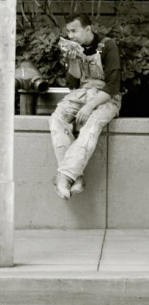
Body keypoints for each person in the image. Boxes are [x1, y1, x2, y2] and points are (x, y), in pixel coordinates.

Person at [50, 13, 121, 200]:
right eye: (68, 32)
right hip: (80, 92)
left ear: (88, 29)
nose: (70, 36)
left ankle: (64, 176)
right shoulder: (75, 48)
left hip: (105, 97)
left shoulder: (108, 46)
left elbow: (113, 87)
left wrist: (89, 107)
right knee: (57, 119)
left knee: (92, 125)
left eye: (74, 31)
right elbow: (73, 83)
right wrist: (71, 59)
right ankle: (76, 176)